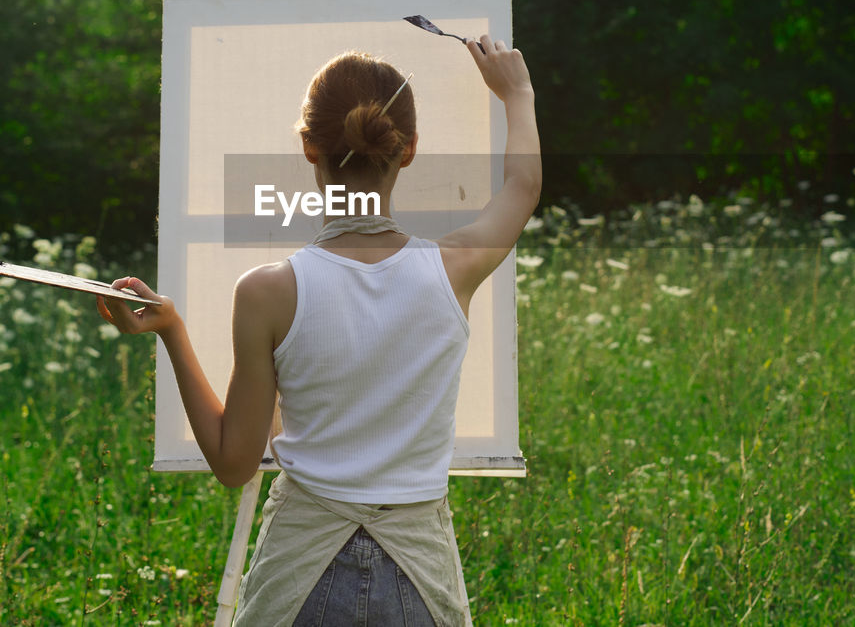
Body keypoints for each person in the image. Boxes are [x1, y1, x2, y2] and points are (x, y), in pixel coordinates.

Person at [97, 33, 540, 625]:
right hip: (420, 576)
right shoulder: (453, 268)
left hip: (298, 572)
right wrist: (518, 92)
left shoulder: (266, 291)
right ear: (407, 151)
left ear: (309, 147)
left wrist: (172, 330)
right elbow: (523, 187)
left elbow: (234, 465)